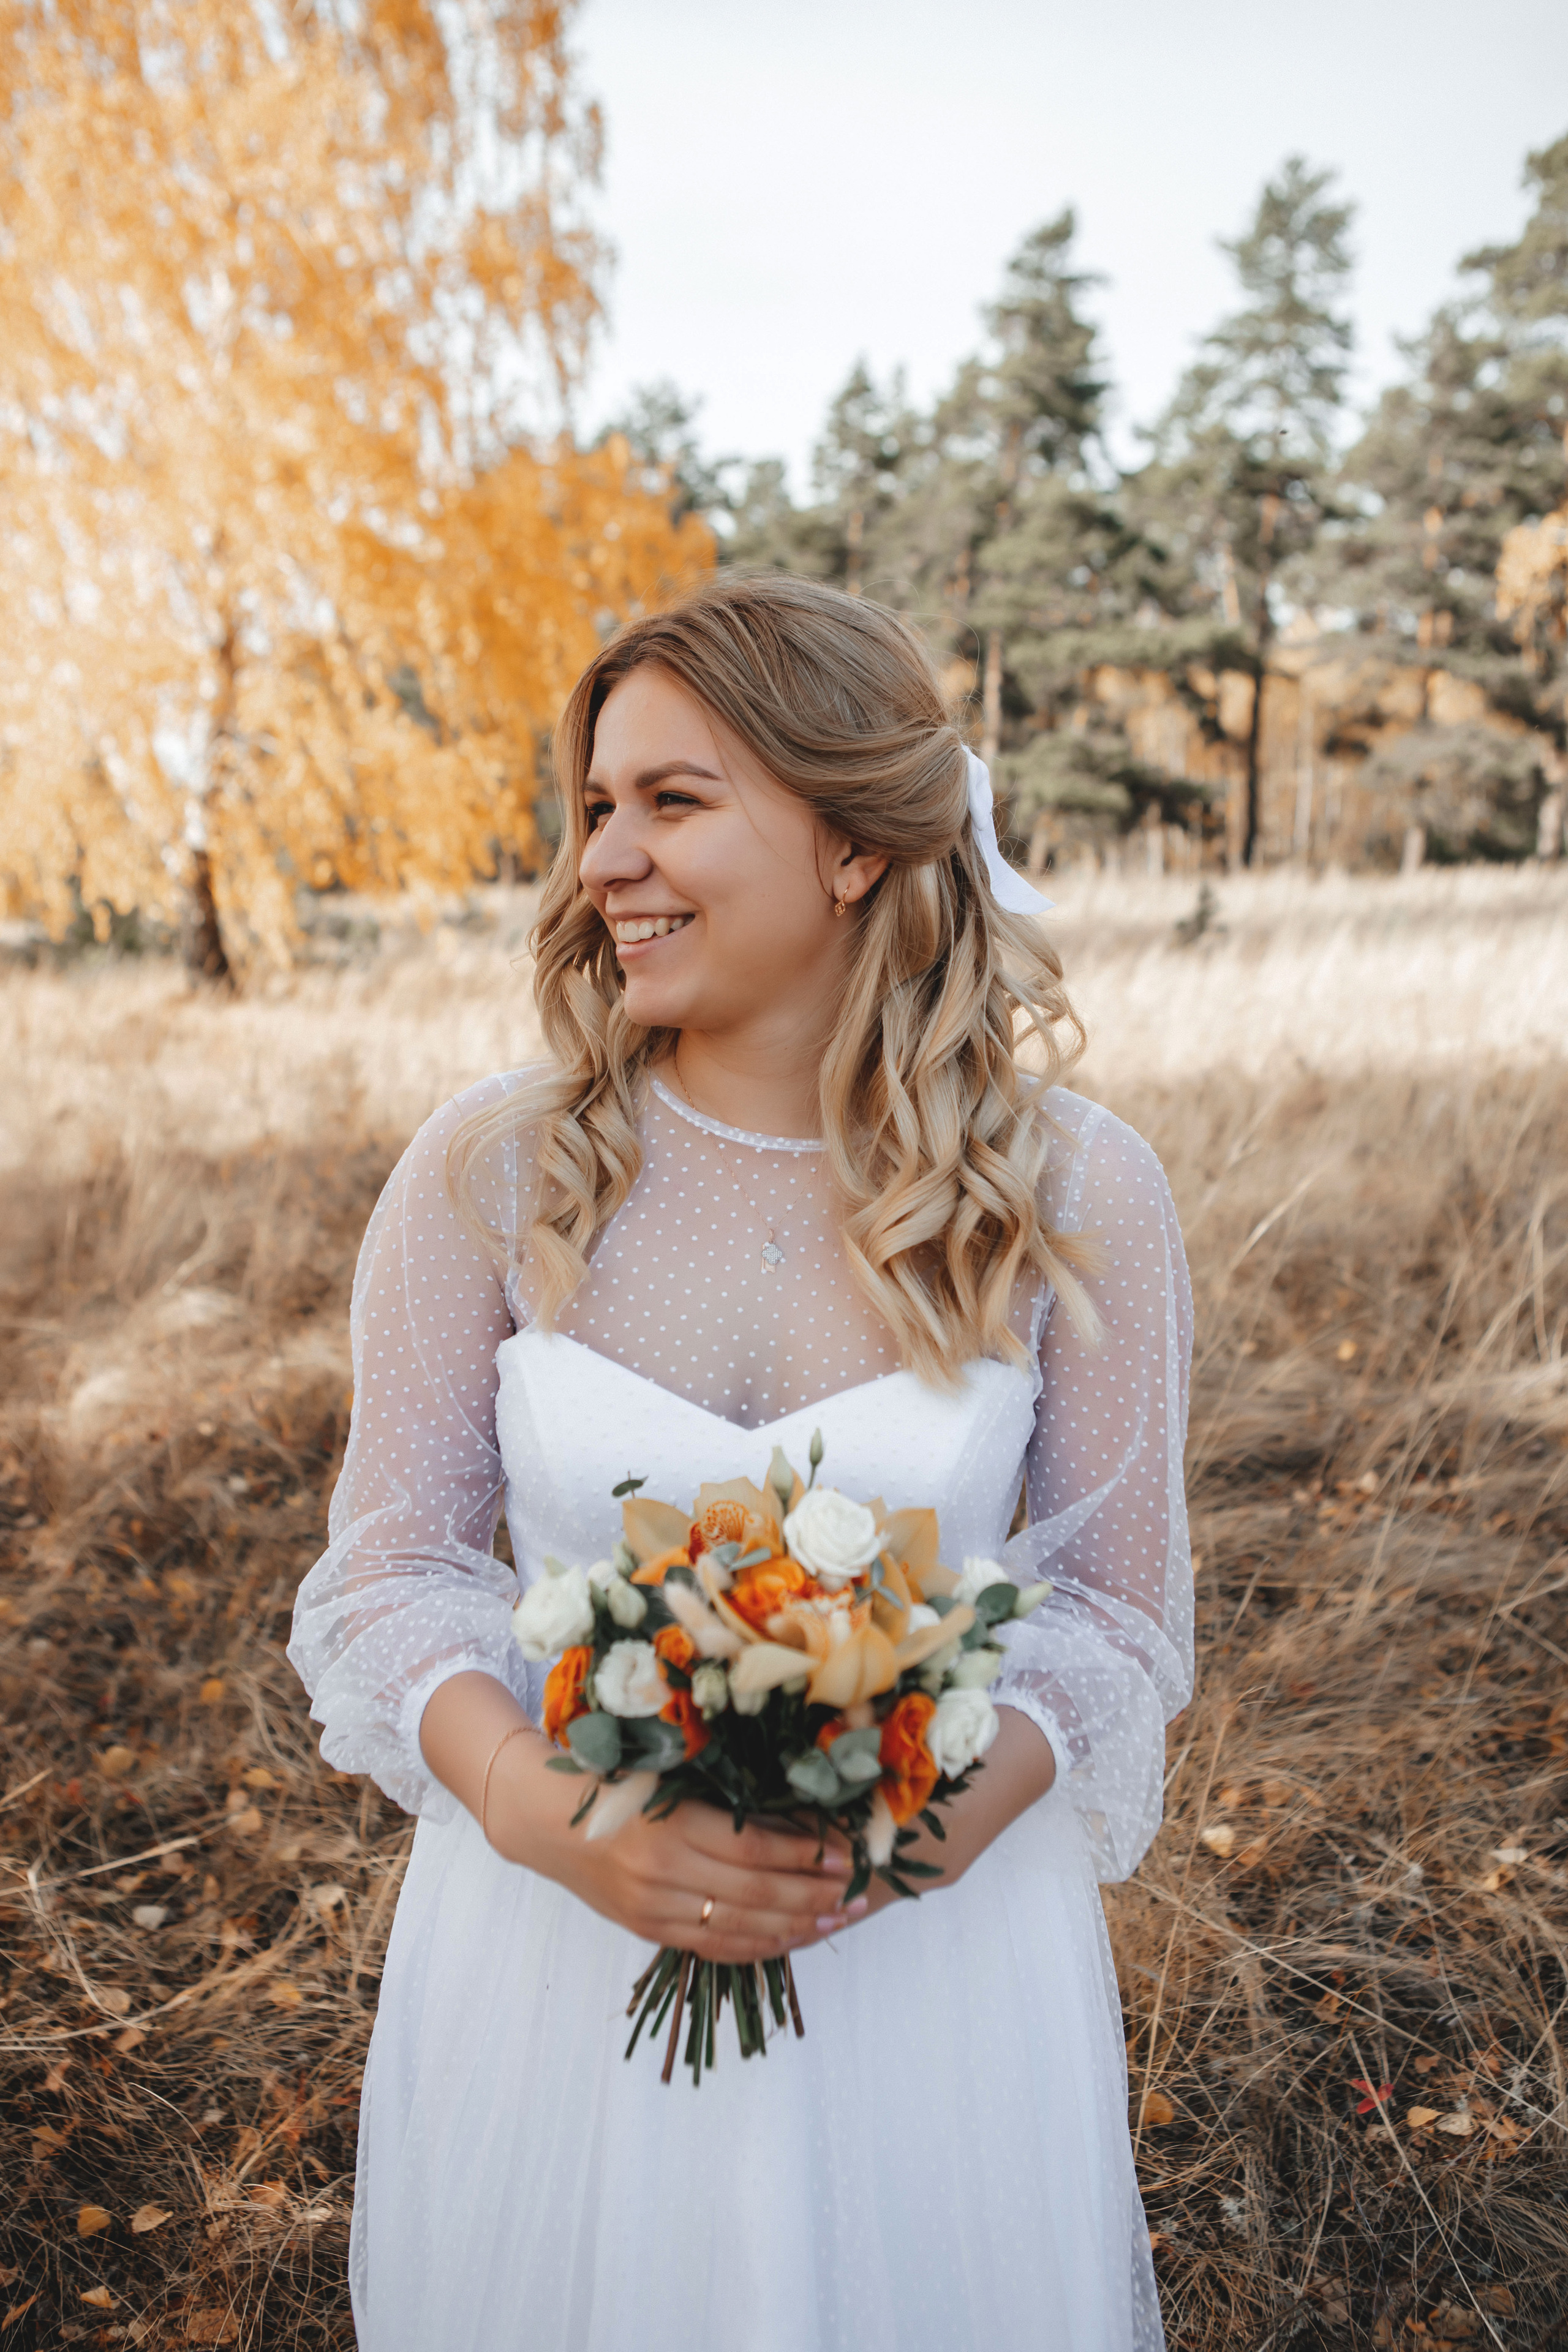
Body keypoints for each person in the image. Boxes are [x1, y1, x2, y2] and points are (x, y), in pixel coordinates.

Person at [288, 571, 1193, 2352]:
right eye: (596, 808)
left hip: (933, 1977)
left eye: (674, 803)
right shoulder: (491, 1172)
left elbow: (1116, 1612)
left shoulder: (1073, 1192)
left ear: (856, 843)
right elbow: (387, 1573)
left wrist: (902, 1837)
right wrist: (557, 1821)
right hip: (557, 1947)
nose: (604, 860)